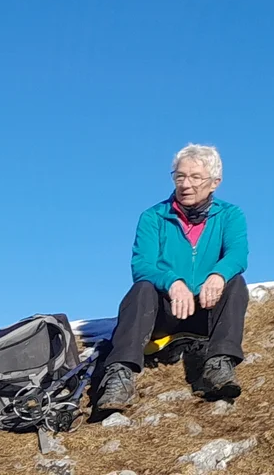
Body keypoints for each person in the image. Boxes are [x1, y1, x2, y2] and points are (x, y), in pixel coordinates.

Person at [94, 144, 249, 413]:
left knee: (235, 282)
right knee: (142, 289)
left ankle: (220, 364)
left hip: (206, 307)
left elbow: (237, 254)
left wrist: (218, 274)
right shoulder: (153, 217)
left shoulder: (230, 215)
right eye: (179, 176)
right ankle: (120, 375)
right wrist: (173, 282)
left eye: (195, 177)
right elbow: (142, 264)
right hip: (165, 311)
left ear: (215, 183)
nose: (185, 184)